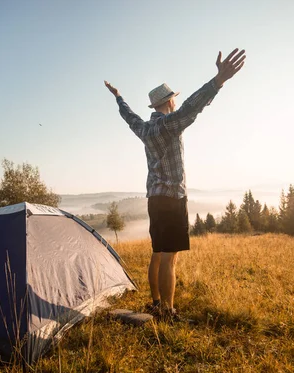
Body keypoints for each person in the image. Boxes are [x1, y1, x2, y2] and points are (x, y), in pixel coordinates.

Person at [104, 48, 246, 320]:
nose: (175, 105)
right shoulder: (170, 124)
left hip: (154, 200)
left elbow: (129, 116)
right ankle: (168, 313)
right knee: (170, 258)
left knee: (157, 253)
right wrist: (218, 82)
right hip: (172, 199)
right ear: (169, 102)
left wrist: (119, 97)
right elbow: (193, 106)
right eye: (173, 102)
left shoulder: (145, 129)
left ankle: (157, 303)